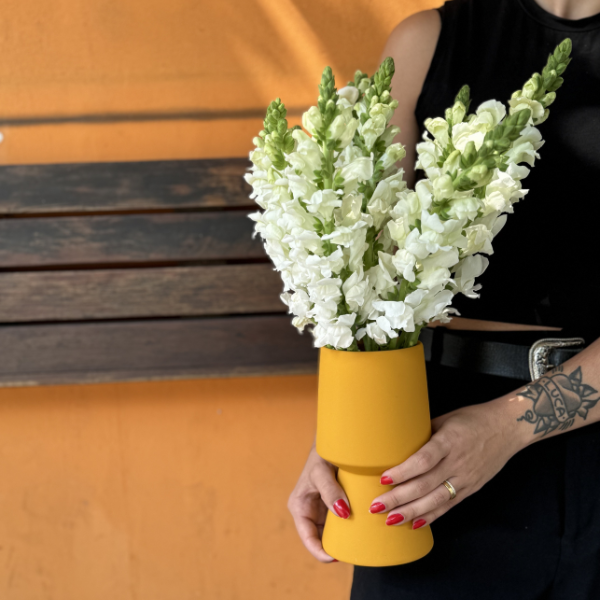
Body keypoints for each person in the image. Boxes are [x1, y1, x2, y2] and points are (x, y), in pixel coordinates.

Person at [287, 0, 600, 597]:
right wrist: (341, 434)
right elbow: (366, 264)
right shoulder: (427, 43)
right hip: (425, 450)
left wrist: (508, 428)